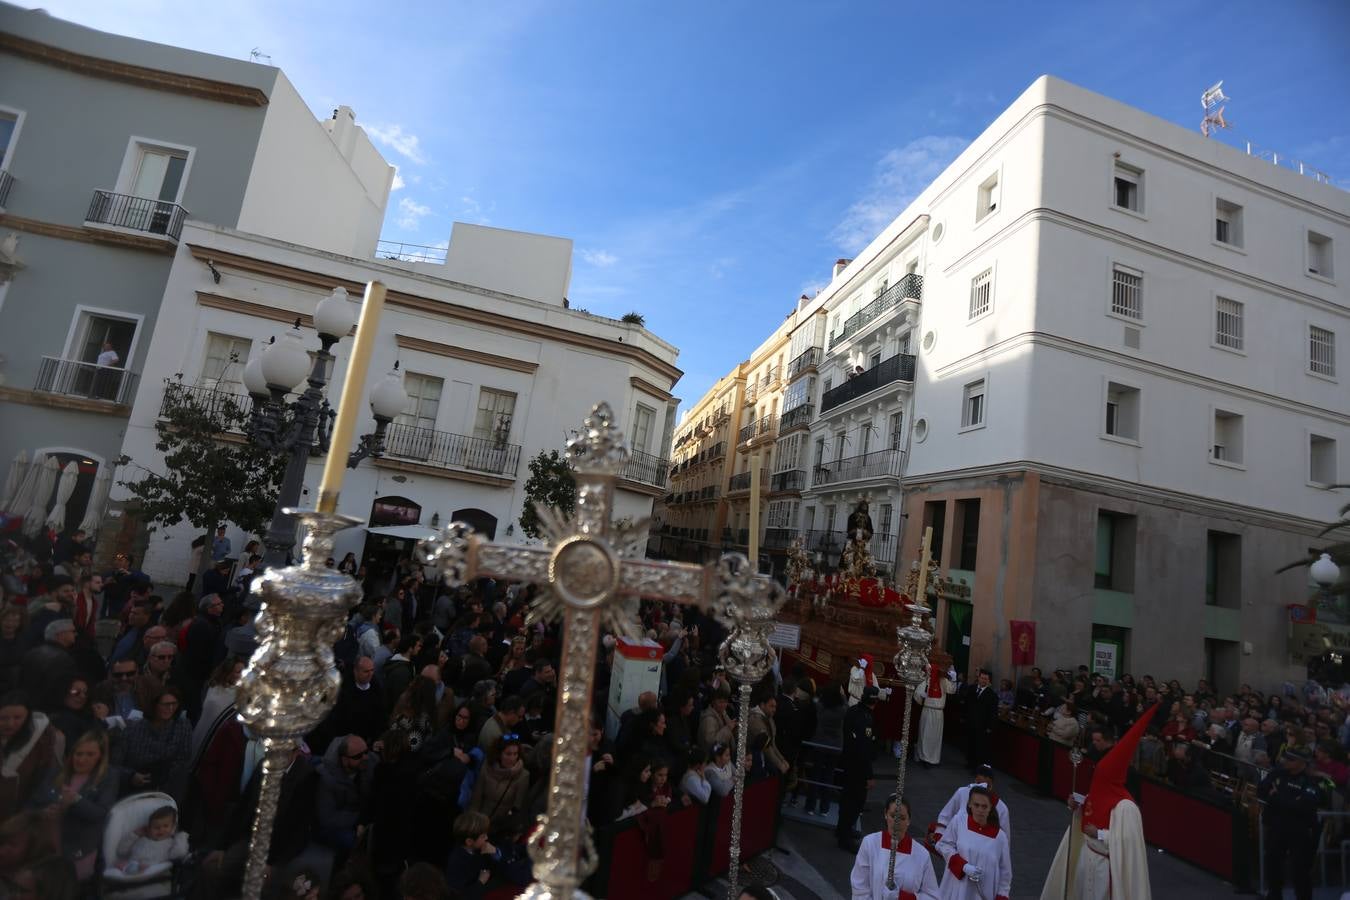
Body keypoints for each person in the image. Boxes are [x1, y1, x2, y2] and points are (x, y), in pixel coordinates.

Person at [1038, 704, 1158, 900]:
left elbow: (1128, 841)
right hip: (1088, 854)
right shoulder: (1100, 789)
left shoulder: (1126, 807)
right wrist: (1078, 806)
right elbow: (1091, 808)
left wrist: (1100, 833)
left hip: (1107, 864)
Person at [36, 730, 119, 882]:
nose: (82, 759)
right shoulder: (56, 772)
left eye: (89, 754)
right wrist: (44, 811)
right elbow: (35, 802)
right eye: (78, 754)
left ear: (100, 756)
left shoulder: (108, 777)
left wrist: (76, 800)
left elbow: (101, 813)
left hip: (81, 847)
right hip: (48, 845)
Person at [1258, 748, 1326, 900]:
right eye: (1285, 758)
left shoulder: (1311, 780)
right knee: (1273, 862)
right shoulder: (1278, 773)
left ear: (1302, 763)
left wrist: (1277, 797)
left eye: (1290, 760)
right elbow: (1262, 789)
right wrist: (1286, 800)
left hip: (1299, 829)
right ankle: (1274, 894)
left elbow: (1304, 805)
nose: (1285, 762)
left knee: (1300, 869)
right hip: (1276, 825)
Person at [850, 794, 940, 900]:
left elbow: (933, 896)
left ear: (909, 821)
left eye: (902, 818)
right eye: (893, 816)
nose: (897, 823)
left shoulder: (922, 855)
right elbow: (859, 888)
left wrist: (902, 897)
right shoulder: (870, 844)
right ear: (885, 815)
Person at [114, 687, 191, 801]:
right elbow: (114, 764)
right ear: (154, 705)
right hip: (134, 789)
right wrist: (131, 776)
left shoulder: (182, 726)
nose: (170, 708)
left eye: (174, 704)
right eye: (165, 704)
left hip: (166, 790)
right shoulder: (133, 730)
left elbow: (183, 759)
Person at [936, 785, 1011, 900]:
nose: (980, 810)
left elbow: (1005, 873)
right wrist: (963, 866)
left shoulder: (1000, 837)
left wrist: (1002, 896)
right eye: (976, 805)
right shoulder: (959, 821)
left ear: (991, 807)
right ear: (969, 804)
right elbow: (943, 845)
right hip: (956, 890)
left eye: (984, 806)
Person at [0, 691, 61, 819]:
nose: (10, 724)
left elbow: (46, 781)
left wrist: (27, 815)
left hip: (21, 817)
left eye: (17, 718)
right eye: (3, 718)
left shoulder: (42, 742)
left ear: (27, 717)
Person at [837, 684, 880, 852]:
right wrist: (869, 775)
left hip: (849, 764)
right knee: (854, 802)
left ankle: (843, 829)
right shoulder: (865, 718)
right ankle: (844, 837)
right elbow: (864, 749)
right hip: (858, 768)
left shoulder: (854, 711)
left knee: (847, 800)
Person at [934, 765, 1012, 847]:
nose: (982, 788)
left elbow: (1005, 840)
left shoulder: (1001, 808)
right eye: (979, 784)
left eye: (987, 786)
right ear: (975, 781)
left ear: (992, 785)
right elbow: (945, 817)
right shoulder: (962, 793)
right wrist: (939, 835)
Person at [114, 804, 189, 875]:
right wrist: (134, 835)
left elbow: (180, 853)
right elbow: (121, 851)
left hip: (154, 875)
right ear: (148, 828)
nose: (161, 830)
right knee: (119, 865)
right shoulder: (141, 839)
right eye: (156, 827)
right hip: (130, 870)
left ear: (173, 827)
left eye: (166, 826)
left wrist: (181, 836)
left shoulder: (171, 843)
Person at [914, 661, 956, 766]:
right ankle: (923, 757)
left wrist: (954, 678)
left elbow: (952, 690)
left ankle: (933, 758)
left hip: (938, 712)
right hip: (927, 710)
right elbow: (917, 694)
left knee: (935, 737)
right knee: (925, 735)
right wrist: (921, 696)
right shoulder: (926, 681)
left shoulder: (943, 681)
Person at [963, 669, 998, 771]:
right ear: (978, 678)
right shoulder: (972, 689)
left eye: (985, 679)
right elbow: (967, 704)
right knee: (970, 744)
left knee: (980, 747)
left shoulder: (992, 695)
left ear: (989, 681)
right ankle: (969, 762)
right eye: (982, 678)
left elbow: (993, 712)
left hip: (982, 726)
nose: (983, 680)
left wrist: (990, 727)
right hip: (971, 723)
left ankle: (977, 768)